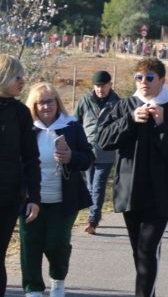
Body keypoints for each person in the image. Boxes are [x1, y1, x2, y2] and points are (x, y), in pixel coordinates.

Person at [98, 58, 168, 297]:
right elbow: (104, 140)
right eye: (139, 78)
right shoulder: (124, 106)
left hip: (161, 194)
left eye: (149, 78)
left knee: (146, 249)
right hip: (131, 191)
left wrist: (161, 124)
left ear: (162, 80)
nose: (143, 83)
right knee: (139, 252)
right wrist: (130, 120)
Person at [22, 83, 93, 297]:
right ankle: (32, 288)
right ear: (34, 105)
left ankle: (58, 279)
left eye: (50, 101)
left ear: (57, 102)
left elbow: (89, 158)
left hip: (64, 200)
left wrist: (72, 157)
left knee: (56, 243)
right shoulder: (27, 128)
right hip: (29, 198)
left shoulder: (71, 126)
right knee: (30, 244)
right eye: (41, 102)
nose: (46, 106)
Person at [0, 55, 40, 297]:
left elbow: (30, 159)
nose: (22, 81)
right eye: (17, 76)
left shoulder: (21, 113)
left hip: (7, 197)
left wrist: (33, 196)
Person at [74, 70, 120, 235]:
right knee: (89, 185)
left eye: (103, 86)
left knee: (98, 186)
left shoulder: (117, 103)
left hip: (106, 152)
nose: (100, 89)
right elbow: (75, 121)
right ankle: (94, 214)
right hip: (87, 151)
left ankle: (93, 220)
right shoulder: (85, 100)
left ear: (110, 85)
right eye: (97, 86)